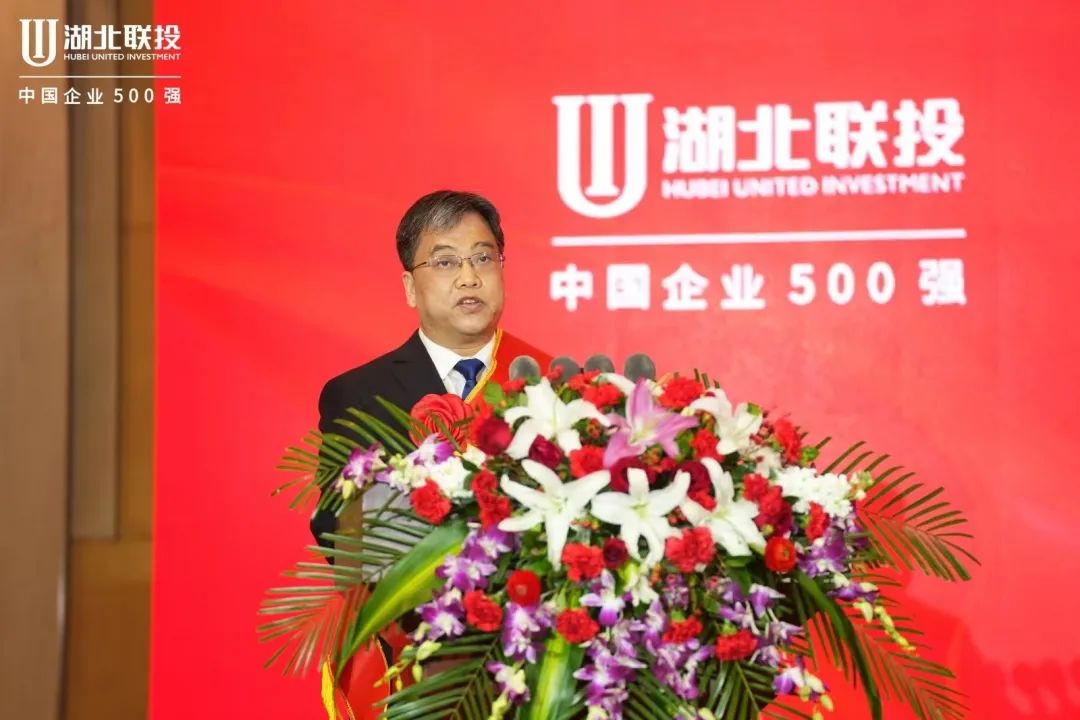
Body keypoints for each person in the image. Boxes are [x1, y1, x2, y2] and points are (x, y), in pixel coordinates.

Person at [311, 190, 551, 718]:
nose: (468, 277)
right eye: (445, 262)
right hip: (414, 662)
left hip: (534, 657)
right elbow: (339, 530)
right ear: (409, 286)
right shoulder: (359, 394)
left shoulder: (553, 385)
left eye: (483, 257)